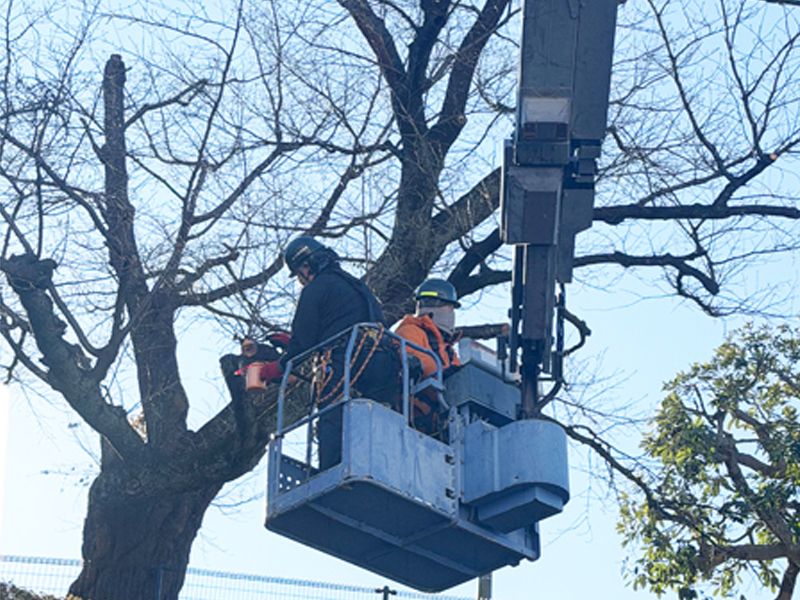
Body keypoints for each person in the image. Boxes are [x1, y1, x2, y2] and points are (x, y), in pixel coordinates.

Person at [259, 236, 400, 469]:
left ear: (306, 265)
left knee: (331, 411)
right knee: (376, 414)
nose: (302, 281)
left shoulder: (316, 288)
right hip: (384, 359)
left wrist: (278, 367)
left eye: (300, 274)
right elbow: (337, 322)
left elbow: (304, 342)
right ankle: (380, 466)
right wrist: (290, 342)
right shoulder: (356, 286)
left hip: (346, 357)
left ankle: (331, 470)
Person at [395, 278, 462, 436]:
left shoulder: (448, 350)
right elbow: (417, 361)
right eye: (450, 308)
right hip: (415, 415)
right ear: (436, 305)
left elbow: (459, 378)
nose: (451, 314)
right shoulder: (409, 332)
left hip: (441, 421)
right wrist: (445, 374)